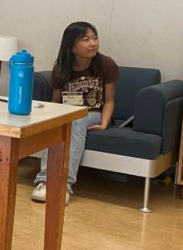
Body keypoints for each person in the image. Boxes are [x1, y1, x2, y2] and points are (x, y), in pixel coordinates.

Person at [30, 21, 120, 205]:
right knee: (57, 125)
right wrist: (48, 118)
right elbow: (56, 100)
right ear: (72, 46)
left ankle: (64, 187)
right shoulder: (61, 68)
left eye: (95, 38)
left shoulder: (106, 64)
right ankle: (44, 182)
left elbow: (110, 100)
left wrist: (104, 123)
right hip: (66, 112)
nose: (93, 43)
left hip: (93, 112)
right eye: (86, 40)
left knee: (77, 121)